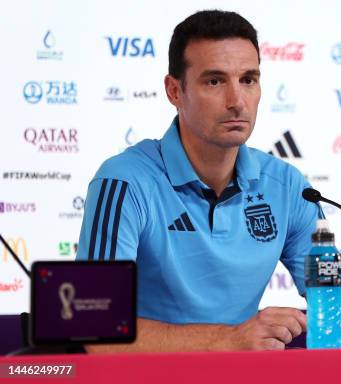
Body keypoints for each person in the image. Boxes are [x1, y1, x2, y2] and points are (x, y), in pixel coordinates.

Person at [76, 10, 321, 352]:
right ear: (174, 91)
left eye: (248, 80)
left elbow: (335, 300)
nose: (237, 102)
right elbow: (93, 328)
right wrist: (230, 340)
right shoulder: (123, 182)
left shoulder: (290, 187)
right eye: (215, 81)